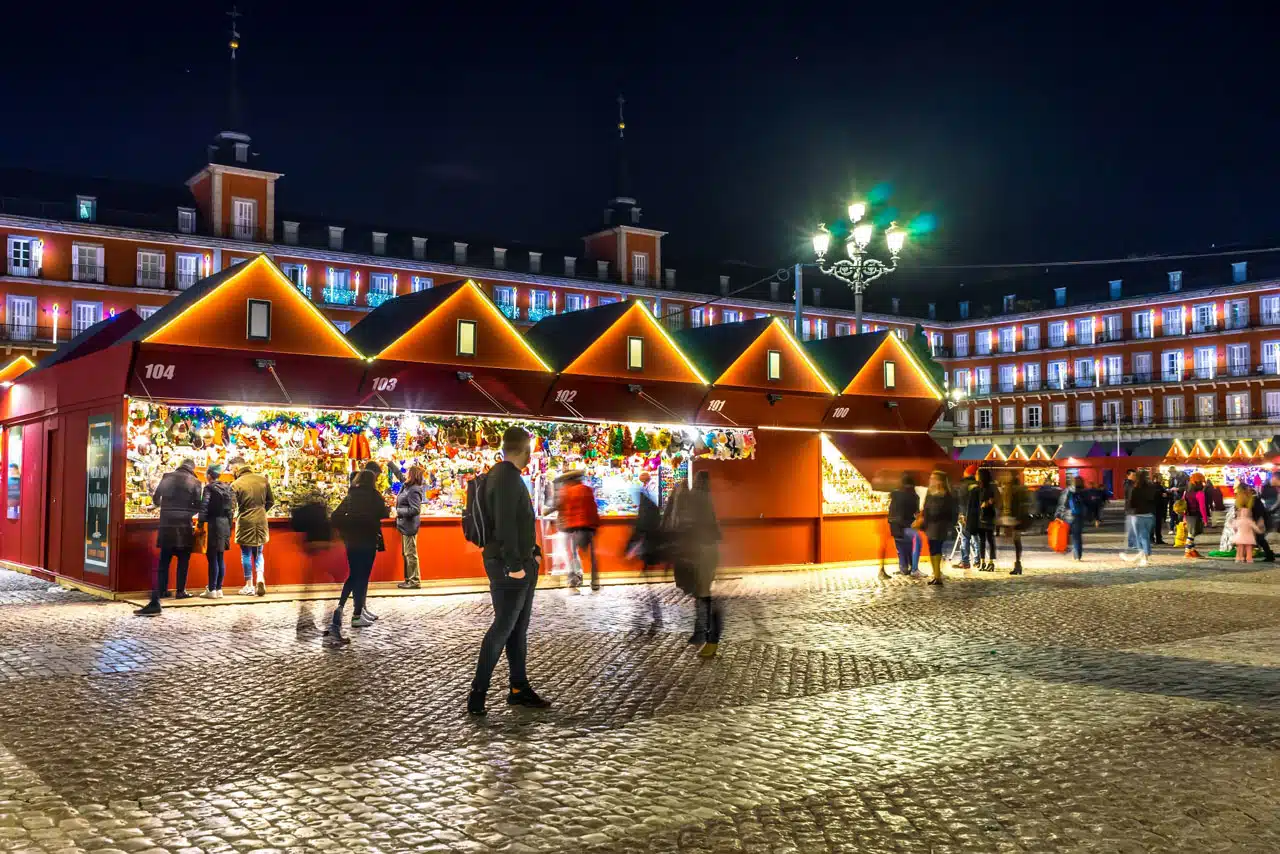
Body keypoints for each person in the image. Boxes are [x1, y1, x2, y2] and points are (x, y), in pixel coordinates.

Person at [469, 427, 549, 717]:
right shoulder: (505, 478)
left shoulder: (505, 476)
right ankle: (477, 694)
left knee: (517, 629)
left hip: (518, 561)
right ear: (525, 449)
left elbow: (516, 522)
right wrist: (515, 566)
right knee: (503, 627)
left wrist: (534, 551)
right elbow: (504, 525)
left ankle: (518, 688)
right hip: (508, 565)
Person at [326, 469, 389, 642]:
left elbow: (335, 516)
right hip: (368, 539)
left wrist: (348, 527)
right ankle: (356, 615)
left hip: (352, 541)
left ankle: (341, 607)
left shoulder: (351, 496)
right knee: (363, 576)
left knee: (354, 575)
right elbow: (384, 513)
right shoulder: (374, 496)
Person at [137, 458, 203, 616]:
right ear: (192, 468)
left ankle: (162, 590)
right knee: (183, 561)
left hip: (166, 525)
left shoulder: (167, 477)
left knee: (164, 561)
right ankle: (180, 591)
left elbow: (155, 497)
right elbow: (198, 505)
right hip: (183, 527)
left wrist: (164, 508)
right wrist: (187, 514)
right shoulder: (195, 482)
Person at [673, 470, 723, 658]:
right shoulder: (706, 501)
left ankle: (707, 636)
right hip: (709, 552)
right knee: (703, 594)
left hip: (702, 552)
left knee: (703, 596)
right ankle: (703, 633)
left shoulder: (698, 501)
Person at [625, 472, 665, 629]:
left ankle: (650, 599)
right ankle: (649, 595)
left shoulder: (645, 507)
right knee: (647, 568)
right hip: (652, 543)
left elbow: (639, 528)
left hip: (649, 544)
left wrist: (629, 546)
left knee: (647, 567)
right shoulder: (651, 507)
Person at [230, 458, 273, 596]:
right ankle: (260, 578)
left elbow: (231, 507)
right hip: (261, 520)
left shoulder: (236, 484)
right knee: (259, 552)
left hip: (245, 521)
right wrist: (261, 511)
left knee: (246, 553)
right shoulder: (263, 480)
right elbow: (271, 501)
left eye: (231, 469)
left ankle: (249, 585)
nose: (231, 472)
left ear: (236, 468)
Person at [556, 470, 602, 592]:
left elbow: (564, 508)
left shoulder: (567, 491)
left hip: (573, 527)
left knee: (573, 554)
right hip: (589, 526)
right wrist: (596, 524)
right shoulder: (587, 489)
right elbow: (593, 507)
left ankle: (574, 582)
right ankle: (595, 581)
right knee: (592, 556)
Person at [198, 464, 234, 599]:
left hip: (213, 524)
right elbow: (230, 510)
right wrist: (229, 527)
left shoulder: (209, 488)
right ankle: (219, 589)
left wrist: (201, 522)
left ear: (209, 475)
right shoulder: (227, 488)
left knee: (212, 557)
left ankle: (211, 589)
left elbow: (204, 505)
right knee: (220, 557)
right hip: (224, 524)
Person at [922, 470, 957, 586]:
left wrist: (950, 526)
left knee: (937, 549)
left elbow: (952, 512)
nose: (931, 480)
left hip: (940, 526)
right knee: (932, 549)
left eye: (934, 478)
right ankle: (936, 575)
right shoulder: (930, 493)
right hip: (930, 525)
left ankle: (938, 576)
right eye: (931, 478)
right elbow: (926, 509)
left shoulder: (947, 495)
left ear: (940, 481)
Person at [395, 465, 426, 589]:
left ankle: (414, 581)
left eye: (408, 472)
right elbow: (399, 475)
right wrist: (389, 463)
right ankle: (409, 579)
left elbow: (415, 509)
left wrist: (399, 511)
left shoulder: (414, 489)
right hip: (404, 525)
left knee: (410, 553)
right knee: (407, 553)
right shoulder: (407, 486)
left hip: (409, 526)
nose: (405, 474)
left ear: (412, 475)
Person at [1119, 469, 1158, 567]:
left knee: (1141, 537)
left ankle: (1145, 557)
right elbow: (1155, 499)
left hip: (1138, 515)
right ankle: (1144, 555)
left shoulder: (1135, 488)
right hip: (1150, 515)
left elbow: (1131, 502)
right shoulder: (1151, 487)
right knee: (1146, 537)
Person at [997, 471, 1031, 575]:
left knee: (1015, 541)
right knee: (1016, 541)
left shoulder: (1011, 490)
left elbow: (1008, 505)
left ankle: (1017, 565)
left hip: (1014, 519)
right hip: (1017, 518)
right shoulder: (1019, 489)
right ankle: (1017, 564)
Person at [887, 472, 921, 576]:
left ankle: (903, 568)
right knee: (916, 539)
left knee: (901, 548)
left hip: (894, 527)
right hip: (905, 526)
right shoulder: (914, 497)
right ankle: (914, 569)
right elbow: (916, 513)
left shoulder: (895, 495)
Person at [970, 468, 998, 571]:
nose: (976, 475)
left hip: (989, 516)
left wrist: (986, 503)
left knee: (990, 540)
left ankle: (991, 562)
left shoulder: (991, 487)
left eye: (977, 473)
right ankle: (982, 562)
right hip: (980, 517)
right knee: (982, 540)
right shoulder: (978, 488)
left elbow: (995, 500)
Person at [954, 466, 979, 569]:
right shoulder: (978, 485)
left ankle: (965, 561)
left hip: (965, 515)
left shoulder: (963, 486)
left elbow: (961, 502)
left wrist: (961, 515)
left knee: (965, 538)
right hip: (977, 515)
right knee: (976, 538)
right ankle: (978, 561)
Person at [1058, 476, 1088, 561]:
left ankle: (1064, 548)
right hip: (1079, 516)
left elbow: (1062, 504)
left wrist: (1059, 515)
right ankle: (1077, 556)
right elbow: (1088, 504)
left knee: (1065, 534)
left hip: (1068, 516)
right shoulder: (1084, 491)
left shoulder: (1067, 491)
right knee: (1077, 536)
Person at [1233, 486, 1264, 563]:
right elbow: (1255, 527)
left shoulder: (1239, 519)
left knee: (1240, 548)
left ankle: (1239, 558)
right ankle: (1249, 558)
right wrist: (1259, 530)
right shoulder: (1249, 520)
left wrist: (1235, 529)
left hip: (1240, 536)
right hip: (1249, 536)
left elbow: (1234, 526)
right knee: (1249, 547)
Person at [1183, 473, 1209, 558]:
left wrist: (1184, 517)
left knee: (1192, 533)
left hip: (1188, 515)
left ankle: (1192, 550)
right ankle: (1187, 551)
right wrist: (1205, 519)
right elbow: (1202, 507)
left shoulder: (1186, 493)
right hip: (1195, 516)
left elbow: (1184, 505)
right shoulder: (1200, 493)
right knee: (1191, 534)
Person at [1151, 472, 1168, 546]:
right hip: (1153, 508)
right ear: (1155, 478)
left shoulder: (1160, 486)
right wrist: (1161, 494)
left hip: (1159, 507)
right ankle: (1151, 539)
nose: (1161, 479)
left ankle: (1159, 539)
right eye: (1160, 477)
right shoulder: (1151, 486)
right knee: (1152, 524)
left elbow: (1164, 493)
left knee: (1158, 524)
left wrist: (1167, 493)